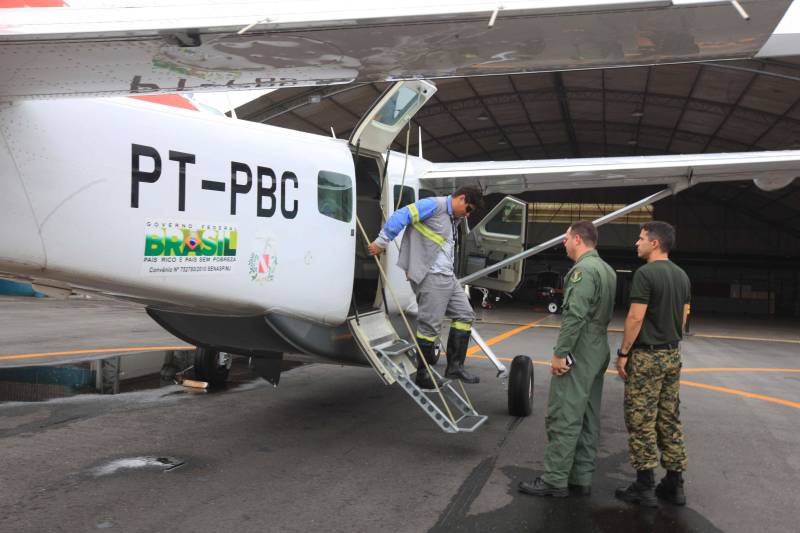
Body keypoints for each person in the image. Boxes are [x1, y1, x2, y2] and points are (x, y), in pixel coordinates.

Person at [518, 221, 616, 498]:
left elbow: (574, 316)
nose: (563, 242)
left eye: (566, 238)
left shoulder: (583, 271)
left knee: (564, 414)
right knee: (588, 415)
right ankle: (580, 478)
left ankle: (555, 479)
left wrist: (561, 353)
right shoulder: (607, 270)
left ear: (577, 239)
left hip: (581, 347)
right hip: (599, 346)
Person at [367, 186, 484, 390]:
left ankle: (455, 366)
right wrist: (381, 242)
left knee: (465, 315)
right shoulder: (434, 205)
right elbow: (402, 214)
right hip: (432, 276)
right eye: (468, 209)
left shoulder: (452, 218)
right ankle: (424, 374)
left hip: (447, 275)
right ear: (461, 198)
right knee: (430, 327)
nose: (467, 215)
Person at [614, 221, 690, 507]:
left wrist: (624, 353)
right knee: (669, 417)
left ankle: (644, 484)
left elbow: (635, 318)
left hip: (647, 356)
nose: (637, 242)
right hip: (672, 354)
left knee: (641, 419)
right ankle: (675, 482)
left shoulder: (646, 274)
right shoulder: (682, 276)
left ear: (655, 243)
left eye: (641, 238)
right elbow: (683, 318)